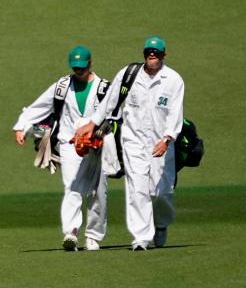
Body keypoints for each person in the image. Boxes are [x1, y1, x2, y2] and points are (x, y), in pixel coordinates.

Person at [76, 37, 184, 251]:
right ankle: (141, 237)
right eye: (148, 52)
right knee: (137, 189)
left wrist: (167, 139)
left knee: (160, 192)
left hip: (161, 142)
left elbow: (175, 114)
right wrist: (92, 123)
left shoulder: (173, 80)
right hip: (133, 140)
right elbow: (109, 101)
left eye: (156, 52)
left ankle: (161, 224)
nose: (151, 55)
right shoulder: (129, 74)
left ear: (163, 55)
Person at [13, 46, 109, 251]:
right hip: (69, 143)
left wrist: (103, 132)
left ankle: (93, 235)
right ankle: (71, 233)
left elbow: (116, 114)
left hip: (98, 146)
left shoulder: (103, 88)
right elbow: (41, 105)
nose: (79, 71)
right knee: (72, 186)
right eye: (75, 67)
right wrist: (22, 126)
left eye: (82, 67)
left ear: (90, 63)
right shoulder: (62, 86)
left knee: (97, 190)